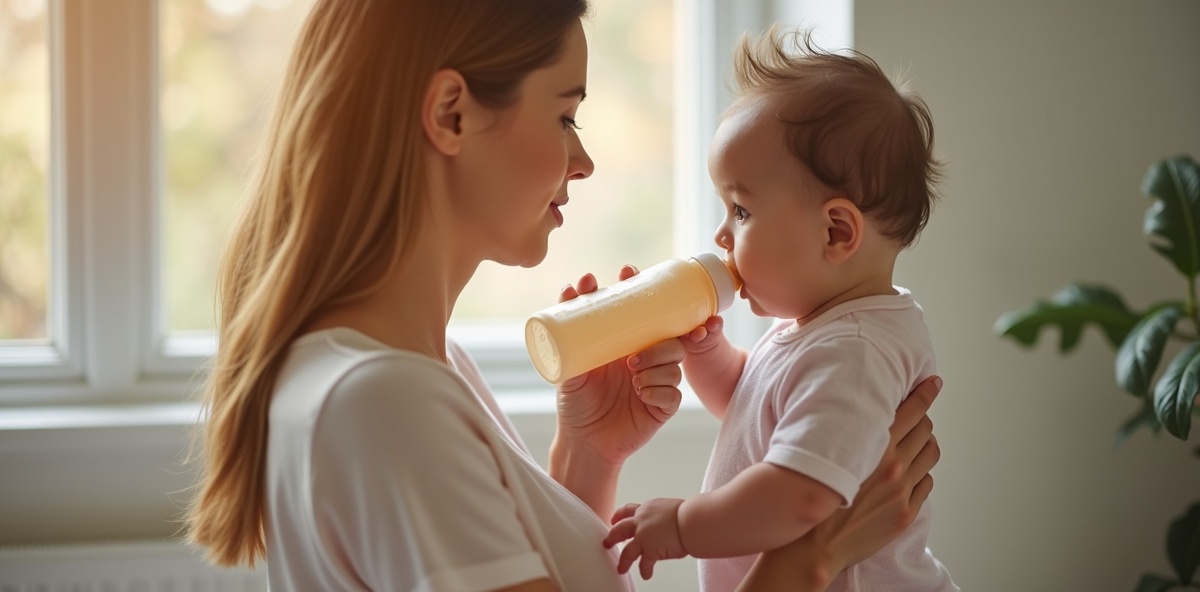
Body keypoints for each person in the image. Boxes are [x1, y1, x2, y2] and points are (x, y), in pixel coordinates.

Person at [182, 2, 943, 590]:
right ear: (451, 114)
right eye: (565, 114)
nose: (582, 161)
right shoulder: (386, 398)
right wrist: (810, 561)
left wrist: (589, 455)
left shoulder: (413, 364)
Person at [602, 26, 959, 592]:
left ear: (836, 231)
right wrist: (708, 351)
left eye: (740, 210)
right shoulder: (822, 331)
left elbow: (801, 494)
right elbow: (751, 405)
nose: (722, 235)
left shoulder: (855, 350)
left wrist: (682, 525)